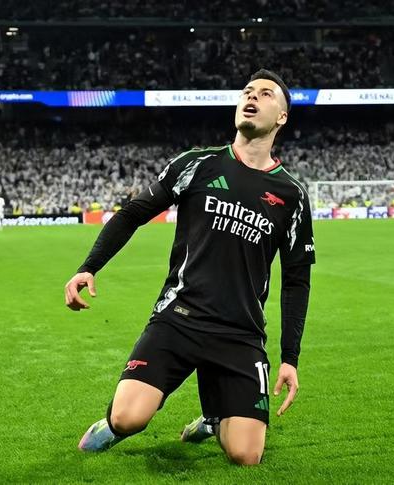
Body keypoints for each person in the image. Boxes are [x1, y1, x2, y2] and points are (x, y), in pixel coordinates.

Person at [64, 69, 316, 465]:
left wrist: (290, 357)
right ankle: (112, 425)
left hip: (240, 333)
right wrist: (89, 267)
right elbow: (132, 214)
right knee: (129, 418)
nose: (252, 97)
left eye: (266, 94)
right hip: (179, 318)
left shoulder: (292, 194)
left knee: (246, 455)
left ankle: (214, 419)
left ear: (282, 117)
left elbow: (297, 280)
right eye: (247, 91)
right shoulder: (197, 163)